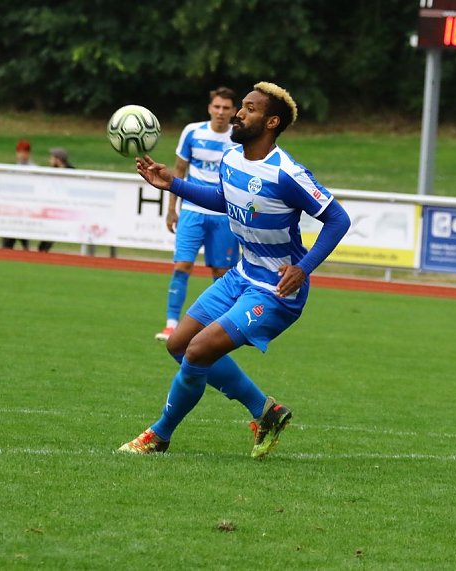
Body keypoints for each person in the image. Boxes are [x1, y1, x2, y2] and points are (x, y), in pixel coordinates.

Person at [119, 82, 351, 458]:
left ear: (271, 121)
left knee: (197, 352)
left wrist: (304, 268)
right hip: (241, 276)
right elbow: (223, 199)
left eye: (249, 108)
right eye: (241, 106)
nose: (239, 114)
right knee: (179, 345)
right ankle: (267, 412)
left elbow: (338, 219)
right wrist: (172, 184)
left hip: (275, 291)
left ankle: (158, 436)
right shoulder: (231, 158)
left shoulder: (287, 173)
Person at [155, 87, 242, 342]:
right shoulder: (192, 131)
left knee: (221, 274)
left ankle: (215, 327)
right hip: (192, 211)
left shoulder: (238, 138)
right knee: (182, 266)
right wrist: (172, 209)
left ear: (234, 111)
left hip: (224, 215)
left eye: (226, 108)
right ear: (209, 108)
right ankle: (171, 323)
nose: (221, 112)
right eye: (217, 107)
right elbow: (178, 172)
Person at [1, 139, 35, 250]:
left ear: (28, 153)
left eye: (24, 152)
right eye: (19, 152)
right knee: (6, 244)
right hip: (12, 212)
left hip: (26, 211)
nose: (21, 154)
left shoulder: (34, 169)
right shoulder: (12, 169)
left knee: (26, 244)